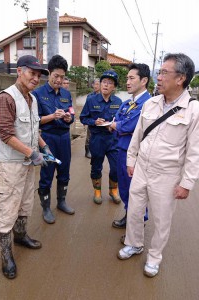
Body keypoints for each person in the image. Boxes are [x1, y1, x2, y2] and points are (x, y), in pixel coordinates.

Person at [117, 53, 199, 278]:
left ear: (180, 78)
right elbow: (138, 135)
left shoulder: (193, 110)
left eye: (164, 72)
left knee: (162, 219)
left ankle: (154, 257)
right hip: (142, 168)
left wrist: (187, 183)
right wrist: (131, 160)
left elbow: (195, 152)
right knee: (133, 210)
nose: (158, 77)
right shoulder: (151, 103)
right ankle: (134, 243)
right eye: (159, 72)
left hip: (167, 174)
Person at [0, 55, 50, 279]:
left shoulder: (33, 99)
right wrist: (32, 153)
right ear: (19, 71)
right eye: (31, 73)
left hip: (28, 162)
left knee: (26, 202)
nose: (36, 78)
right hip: (10, 164)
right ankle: (6, 255)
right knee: (8, 207)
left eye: (38, 75)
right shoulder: (6, 98)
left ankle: (20, 236)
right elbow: (5, 133)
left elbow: (33, 131)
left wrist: (44, 147)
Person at [32, 54, 75, 225]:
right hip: (48, 138)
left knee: (64, 171)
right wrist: (52, 116)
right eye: (56, 76)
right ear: (49, 74)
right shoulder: (38, 94)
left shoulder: (66, 94)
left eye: (62, 77)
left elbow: (72, 113)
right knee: (47, 173)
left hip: (64, 138)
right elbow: (35, 121)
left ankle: (62, 201)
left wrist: (68, 119)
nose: (59, 80)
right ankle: (46, 207)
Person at [111, 63, 151, 232]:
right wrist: (117, 125)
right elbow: (118, 120)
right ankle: (129, 216)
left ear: (144, 81)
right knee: (125, 188)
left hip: (136, 155)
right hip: (122, 149)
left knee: (137, 192)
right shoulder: (128, 103)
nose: (127, 81)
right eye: (127, 78)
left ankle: (137, 226)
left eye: (131, 78)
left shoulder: (148, 103)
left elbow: (127, 126)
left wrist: (116, 125)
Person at [80, 70, 122, 205]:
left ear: (114, 87)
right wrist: (94, 122)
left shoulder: (118, 101)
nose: (106, 85)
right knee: (96, 166)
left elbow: (120, 120)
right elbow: (83, 118)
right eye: (104, 82)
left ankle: (113, 190)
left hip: (113, 139)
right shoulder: (91, 100)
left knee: (116, 167)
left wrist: (114, 126)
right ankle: (97, 191)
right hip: (97, 139)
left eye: (110, 83)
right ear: (100, 83)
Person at [85, 78, 100, 159]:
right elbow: (86, 109)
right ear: (93, 85)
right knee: (89, 135)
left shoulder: (103, 95)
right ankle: (87, 150)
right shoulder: (90, 96)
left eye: (98, 84)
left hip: (100, 119)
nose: (96, 86)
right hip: (91, 119)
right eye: (95, 84)